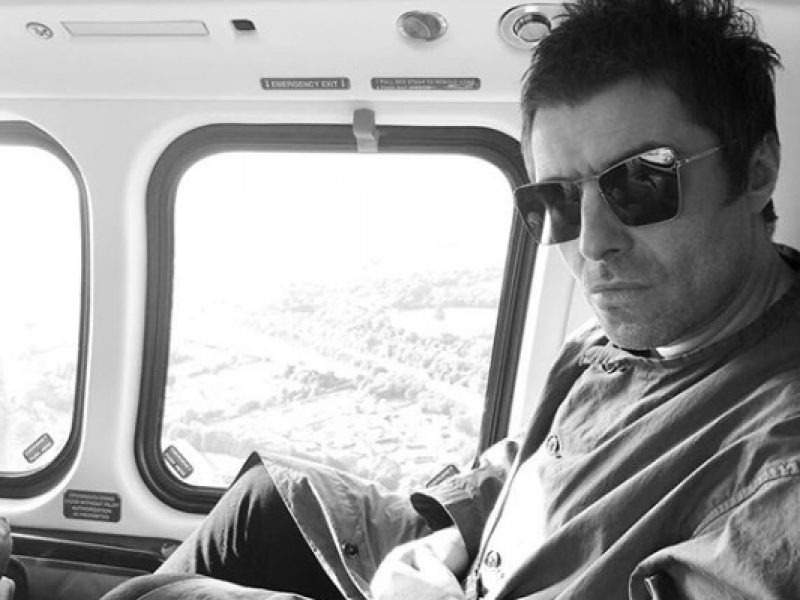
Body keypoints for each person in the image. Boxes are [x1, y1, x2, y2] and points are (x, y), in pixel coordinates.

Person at [103, 0, 800, 598]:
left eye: (641, 182)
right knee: (266, 500)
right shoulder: (640, 328)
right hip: (473, 558)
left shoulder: (778, 476)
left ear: (757, 170)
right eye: (557, 201)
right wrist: (454, 531)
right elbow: (536, 462)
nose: (592, 243)